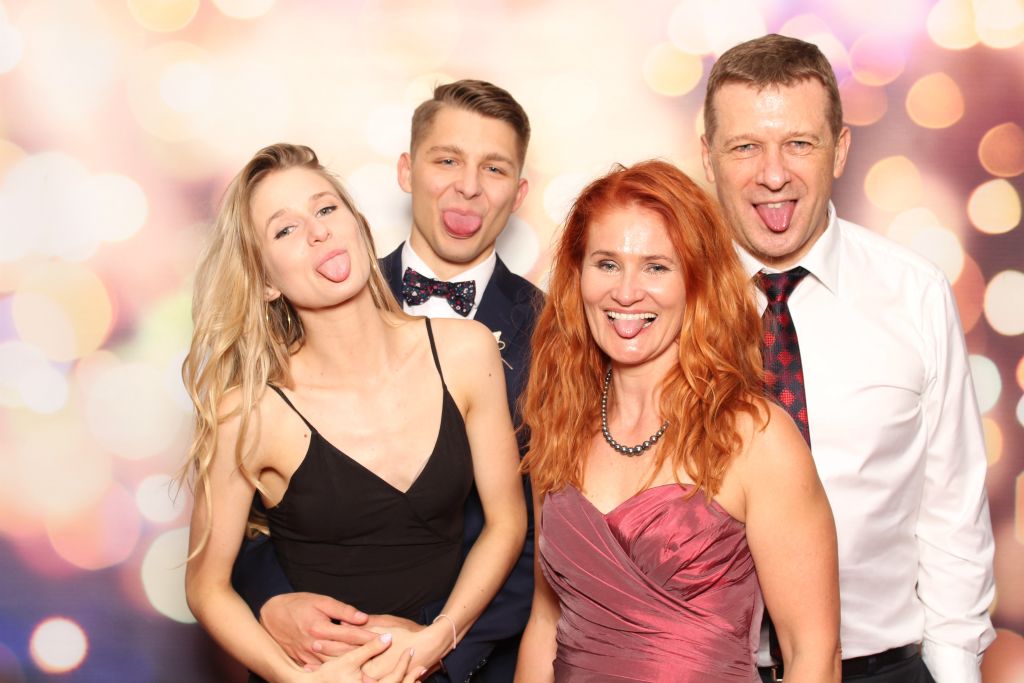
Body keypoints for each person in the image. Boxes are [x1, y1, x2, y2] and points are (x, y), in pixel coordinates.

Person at [699, 34, 996, 683]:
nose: (772, 174)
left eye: (799, 144)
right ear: (707, 156)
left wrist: (955, 673)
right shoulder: (663, 302)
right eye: (745, 146)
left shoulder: (914, 292)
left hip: (882, 667)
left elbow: (953, 511)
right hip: (708, 669)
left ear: (839, 149)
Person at [230, 81, 542, 682]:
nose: (468, 186)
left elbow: (553, 527)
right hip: (323, 661)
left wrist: (439, 647)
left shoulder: (560, 334)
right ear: (406, 170)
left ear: (519, 192)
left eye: (494, 168)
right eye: (446, 160)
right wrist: (272, 601)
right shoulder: (316, 284)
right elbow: (243, 508)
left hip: (477, 661)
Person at [514, 159, 840, 682]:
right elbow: (546, 621)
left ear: (698, 281)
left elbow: (812, 654)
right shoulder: (558, 422)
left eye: (656, 267)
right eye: (607, 264)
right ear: (577, 276)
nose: (626, 292)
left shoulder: (757, 437)